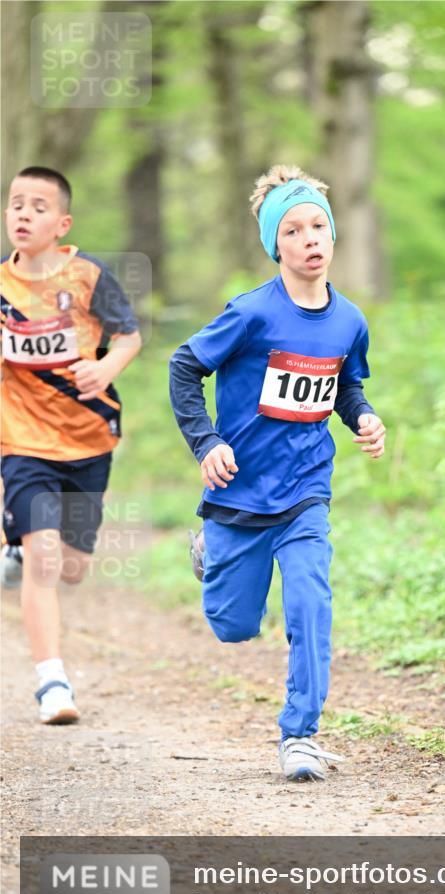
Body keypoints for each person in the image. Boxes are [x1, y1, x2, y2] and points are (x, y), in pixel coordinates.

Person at [169, 164, 385, 781]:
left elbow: (346, 385)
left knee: (311, 603)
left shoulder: (349, 321)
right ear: (275, 245)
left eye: (318, 226)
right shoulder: (250, 315)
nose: (309, 238)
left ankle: (301, 735)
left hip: (305, 490)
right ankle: (211, 553)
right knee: (233, 625)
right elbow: (183, 367)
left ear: (333, 233)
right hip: (238, 490)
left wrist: (364, 417)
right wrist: (206, 442)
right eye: (293, 230)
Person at [1, 166, 141, 723]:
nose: (24, 214)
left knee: (73, 567)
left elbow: (128, 337)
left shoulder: (89, 276)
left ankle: (14, 549)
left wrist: (105, 368)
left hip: (88, 438)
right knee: (44, 557)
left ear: (62, 224)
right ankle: (52, 683)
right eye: (16, 204)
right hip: (22, 440)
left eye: (38, 207)